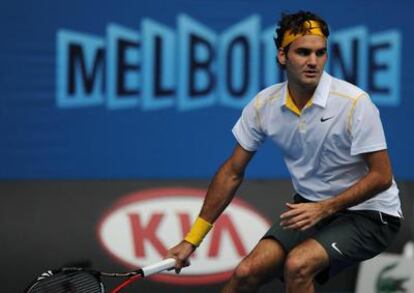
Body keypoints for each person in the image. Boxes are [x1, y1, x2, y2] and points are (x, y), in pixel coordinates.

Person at [166, 10, 402, 293]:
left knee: (298, 265)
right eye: (303, 52)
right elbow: (232, 172)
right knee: (245, 273)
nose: (313, 62)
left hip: (371, 214)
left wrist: (324, 208)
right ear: (282, 56)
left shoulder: (354, 103)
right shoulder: (264, 105)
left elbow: (382, 176)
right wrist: (192, 240)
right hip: (310, 208)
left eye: (320, 53)